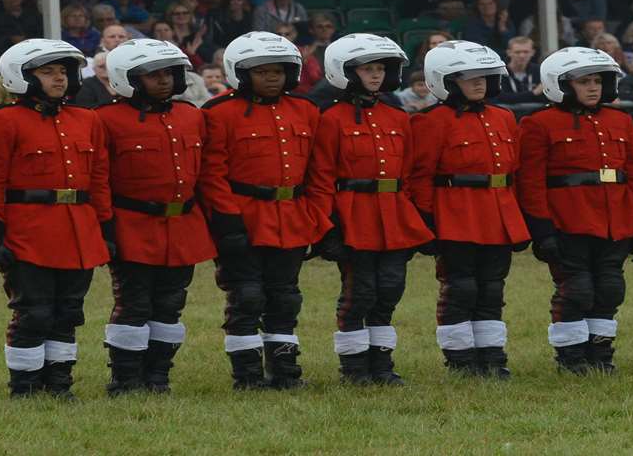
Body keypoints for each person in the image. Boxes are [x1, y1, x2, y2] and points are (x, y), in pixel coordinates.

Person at [0, 39, 110, 398]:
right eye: (48, 72)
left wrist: (105, 226)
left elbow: (98, 178)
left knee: (68, 312)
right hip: (28, 231)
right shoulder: (2, 121)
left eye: (63, 72)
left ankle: (60, 384)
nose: (59, 79)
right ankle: (26, 386)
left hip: (78, 230)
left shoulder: (87, 119)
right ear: (22, 77)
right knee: (33, 312)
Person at [202, 32, 328, 390]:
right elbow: (212, 173)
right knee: (246, 297)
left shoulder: (306, 110)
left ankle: (286, 373)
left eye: (279, 71)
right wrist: (227, 221)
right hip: (243, 216)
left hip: (290, 215)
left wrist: (316, 218)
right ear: (240, 73)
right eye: (262, 71)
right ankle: (247, 375)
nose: (272, 77)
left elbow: (318, 171)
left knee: (285, 297)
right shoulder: (218, 113)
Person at [93, 39, 219, 396]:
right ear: (127, 78)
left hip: (183, 225)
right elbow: (99, 178)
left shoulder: (192, 115)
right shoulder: (105, 120)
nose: (163, 81)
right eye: (152, 75)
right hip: (133, 225)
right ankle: (126, 378)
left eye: (168, 73)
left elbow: (205, 175)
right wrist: (105, 227)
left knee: (170, 303)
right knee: (133, 302)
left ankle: (158, 375)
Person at [517, 47, 633, 374]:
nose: (593, 88)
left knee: (609, 288)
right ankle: (571, 357)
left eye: (597, 81)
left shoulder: (620, 120)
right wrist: (542, 229)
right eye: (584, 82)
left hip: (615, 221)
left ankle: (601, 355)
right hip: (568, 221)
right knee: (576, 290)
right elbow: (531, 181)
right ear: (560, 84)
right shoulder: (539, 124)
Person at [307, 35, 431, 386]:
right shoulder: (329, 119)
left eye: (380, 69)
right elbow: (321, 178)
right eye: (367, 69)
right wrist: (327, 226)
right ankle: (354, 368)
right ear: (345, 72)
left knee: (390, 289)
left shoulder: (398, 117)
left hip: (393, 216)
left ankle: (382, 365)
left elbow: (406, 174)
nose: (376, 76)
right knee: (359, 292)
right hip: (353, 216)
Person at [406, 41, 528, 378]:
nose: (479, 83)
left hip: (498, 213)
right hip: (455, 215)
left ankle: (492, 355)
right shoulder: (430, 121)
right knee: (461, 287)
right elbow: (420, 175)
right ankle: (460, 359)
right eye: (469, 77)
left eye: (485, 76)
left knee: (492, 287)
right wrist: (426, 221)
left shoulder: (504, 116)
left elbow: (513, 173)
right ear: (444, 80)